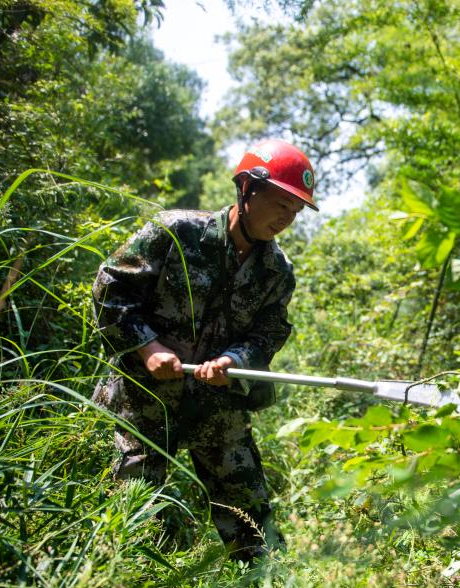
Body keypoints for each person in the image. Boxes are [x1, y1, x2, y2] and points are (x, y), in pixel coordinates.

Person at [91, 138, 318, 562]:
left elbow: (269, 333)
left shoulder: (277, 271)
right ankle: (119, 587)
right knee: (128, 513)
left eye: (295, 211)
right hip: (144, 399)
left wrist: (234, 360)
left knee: (253, 522)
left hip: (217, 406)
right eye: (280, 204)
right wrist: (148, 347)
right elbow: (110, 289)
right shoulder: (176, 232)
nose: (287, 218)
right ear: (247, 189)